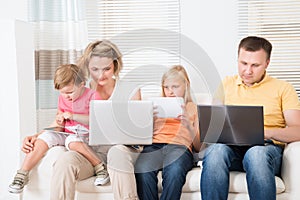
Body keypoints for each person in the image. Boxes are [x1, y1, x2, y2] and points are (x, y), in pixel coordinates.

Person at [200, 36, 300, 200]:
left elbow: (297, 130)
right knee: (215, 151)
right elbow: (214, 124)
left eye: (255, 65)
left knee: (256, 154)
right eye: (243, 63)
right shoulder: (226, 84)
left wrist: (265, 132)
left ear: (267, 63)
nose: (247, 71)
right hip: (231, 149)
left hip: (266, 150)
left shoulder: (283, 88)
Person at [50, 40, 142, 200]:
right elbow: (60, 122)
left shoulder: (130, 90)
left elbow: (138, 131)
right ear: (87, 67)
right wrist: (37, 137)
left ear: (115, 65)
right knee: (65, 160)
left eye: (107, 69)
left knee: (116, 152)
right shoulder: (77, 90)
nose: (101, 75)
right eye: (95, 69)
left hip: (121, 152)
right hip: (90, 154)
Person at [8, 64, 108, 194]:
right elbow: (58, 125)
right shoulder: (63, 98)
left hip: (87, 135)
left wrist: (74, 116)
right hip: (68, 133)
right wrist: (37, 135)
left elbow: (98, 121)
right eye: (62, 92)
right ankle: (22, 174)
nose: (66, 96)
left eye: (70, 92)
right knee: (45, 137)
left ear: (82, 84)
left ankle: (100, 167)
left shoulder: (94, 96)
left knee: (71, 140)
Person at [135, 65, 200, 200]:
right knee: (142, 169)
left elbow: (199, 147)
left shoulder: (193, 108)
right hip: (154, 146)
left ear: (186, 86)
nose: (170, 91)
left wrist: (189, 126)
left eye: (175, 87)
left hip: (179, 147)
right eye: (166, 87)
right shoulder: (154, 106)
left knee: (174, 171)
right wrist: (148, 121)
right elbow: (140, 138)